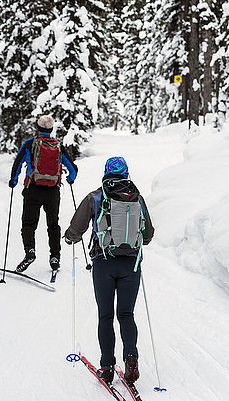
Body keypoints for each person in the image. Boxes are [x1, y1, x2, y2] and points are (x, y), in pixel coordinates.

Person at [64, 156, 154, 383]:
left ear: (106, 173)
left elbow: (77, 229)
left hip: (104, 262)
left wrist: (70, 238)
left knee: (105, 315)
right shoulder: (137, 198)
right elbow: (148, 235)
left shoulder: (95, 197)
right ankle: (131, 359)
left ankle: (107, 367)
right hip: (131, 264)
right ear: (126, 173)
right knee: (126, 314)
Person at [9, 115, 78, 272]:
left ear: (38, 128)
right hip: (53, 191)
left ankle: (30, 252)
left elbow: (17, 164)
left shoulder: (29, 144)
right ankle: (55, 258)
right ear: (51, 129)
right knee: (53, 225)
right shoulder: (58, 146)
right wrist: (71, 179)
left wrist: (13, 181)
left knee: (28, 224)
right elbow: (73, 168)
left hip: (33, 188)